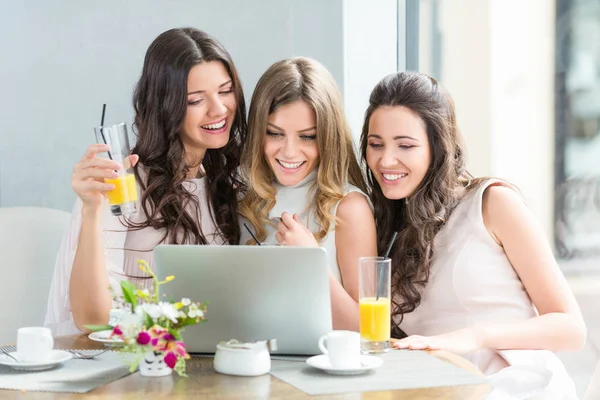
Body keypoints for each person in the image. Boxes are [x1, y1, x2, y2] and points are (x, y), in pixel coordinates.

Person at [360, 71, 585, 399]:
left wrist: (476, 335)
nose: (385, 160)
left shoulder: (492, 203)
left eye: (405, 145)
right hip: (439, 390)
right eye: (375, 144)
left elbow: (571, 329)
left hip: (514, 386)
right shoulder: (385, 224)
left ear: (437, 147)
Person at [45, 28, 247, 335]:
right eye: (195, 100)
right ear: (166, 106)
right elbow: (91, 320)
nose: (218, 109)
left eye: (225, 90)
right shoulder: (122, 184)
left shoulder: (226, 184)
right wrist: (90, 211)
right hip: (129, 365)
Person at [238, 57, 377, 330]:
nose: (289, 152)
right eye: (274, 133)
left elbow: (368, 330)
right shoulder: (243, 195)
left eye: (307, 136)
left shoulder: (350, 207)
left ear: (328, 136)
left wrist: (311, 263)